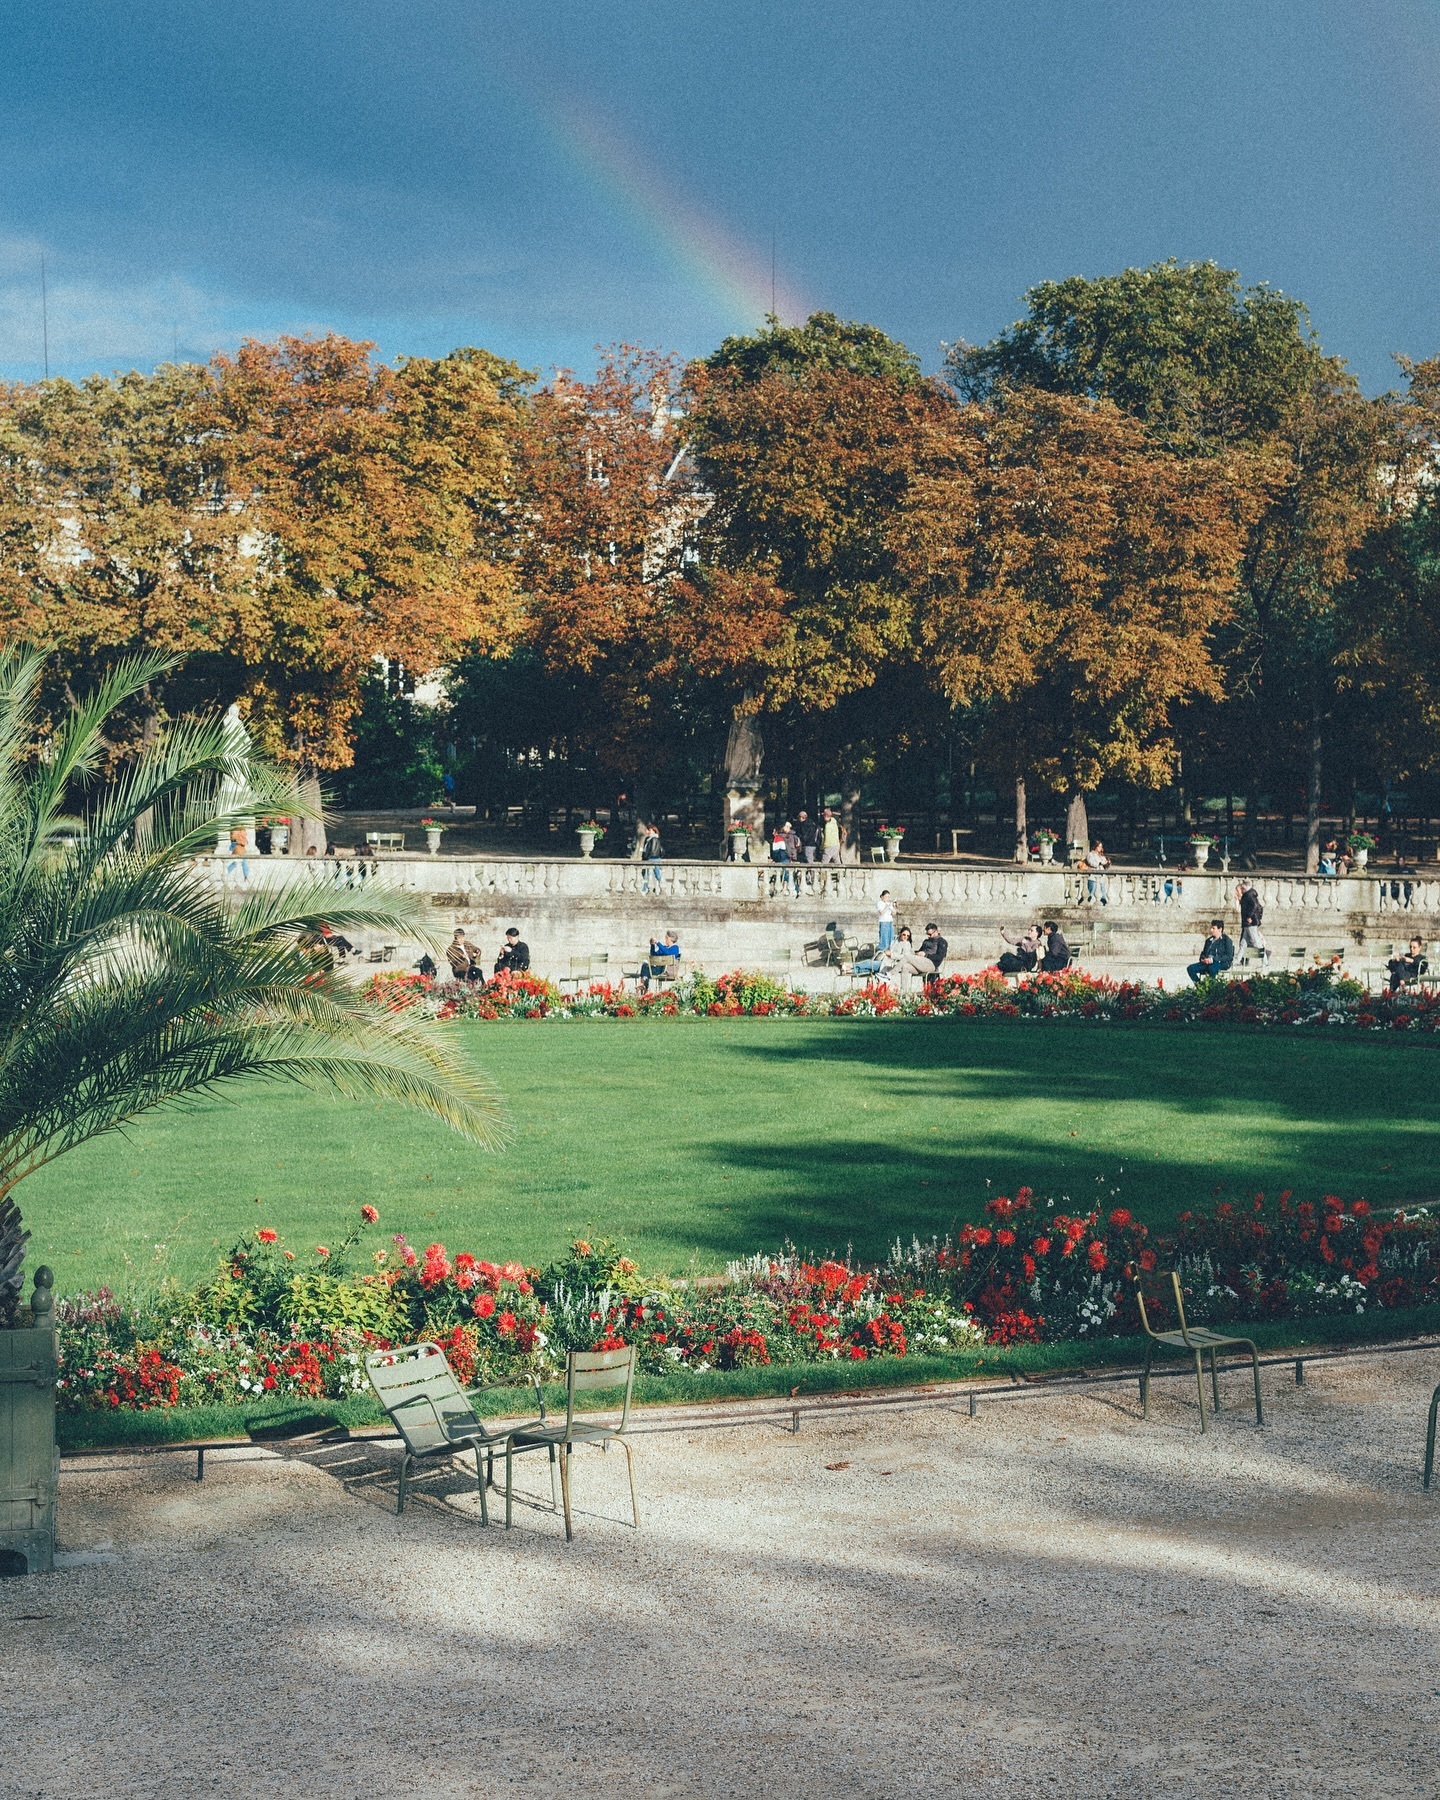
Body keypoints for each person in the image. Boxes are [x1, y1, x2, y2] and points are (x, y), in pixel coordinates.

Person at [891, 922, 947, 988]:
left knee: (907, 956)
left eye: (930, 934)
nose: (928, 936)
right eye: (927, 934)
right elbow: (920, 951)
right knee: (905, 966)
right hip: (922, 964)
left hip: (931, 965)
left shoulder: (941, 942)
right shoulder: (926, 941)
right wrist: (917, 953)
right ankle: (904, 991)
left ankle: (891, 973)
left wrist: (926, 955)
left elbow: (939, 957)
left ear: (936, 932)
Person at [1236, 881, 1268, 962]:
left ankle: (1265, 961)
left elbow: (1255, 905)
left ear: (1243, 888)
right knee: (1243, 943)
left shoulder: (1248, 895)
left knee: (1256, 942)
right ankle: (1236, 961)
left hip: (1250, 923)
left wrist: (1249, 916)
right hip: (1248, 923)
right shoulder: (1250, 894)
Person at [1084, 840, 1110, 905]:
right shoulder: (1090, 854)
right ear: (1095, 846)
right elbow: (1091, 862)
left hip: (1101, 876)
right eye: (1098, 846)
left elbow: (1104, 864)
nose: (1100, 848)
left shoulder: (1101, 855)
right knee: (1091, 890)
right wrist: (1100, 863)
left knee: (1102, 889)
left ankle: (1104, 901)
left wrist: (1107, 863)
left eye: (1101, 847)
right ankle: (1084, 901)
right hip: (1093, 875)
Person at [640, 822, 663, 894]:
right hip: (653, 857)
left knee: (655, 874)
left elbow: (652, 850)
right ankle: (646, 888)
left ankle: (659, 887)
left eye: (648, 830)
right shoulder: (649, 839)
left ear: (651, 830)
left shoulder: (653, 839)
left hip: (653, 858)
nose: (646, 831)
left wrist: (646, 856)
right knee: (649, 874)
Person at [876, 889, 895, 954]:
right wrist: (888, 906)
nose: (887, 898)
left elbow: (894, 913)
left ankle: (890, 951)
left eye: (888, 897)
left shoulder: (888, 903)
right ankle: (883, 951)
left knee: (891, 937)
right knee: (884, 938)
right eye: (886, 896)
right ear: (882, 896)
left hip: (890, 921)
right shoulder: (879, 903)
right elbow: (882, 912)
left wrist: (894, 906)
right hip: (884, 922)